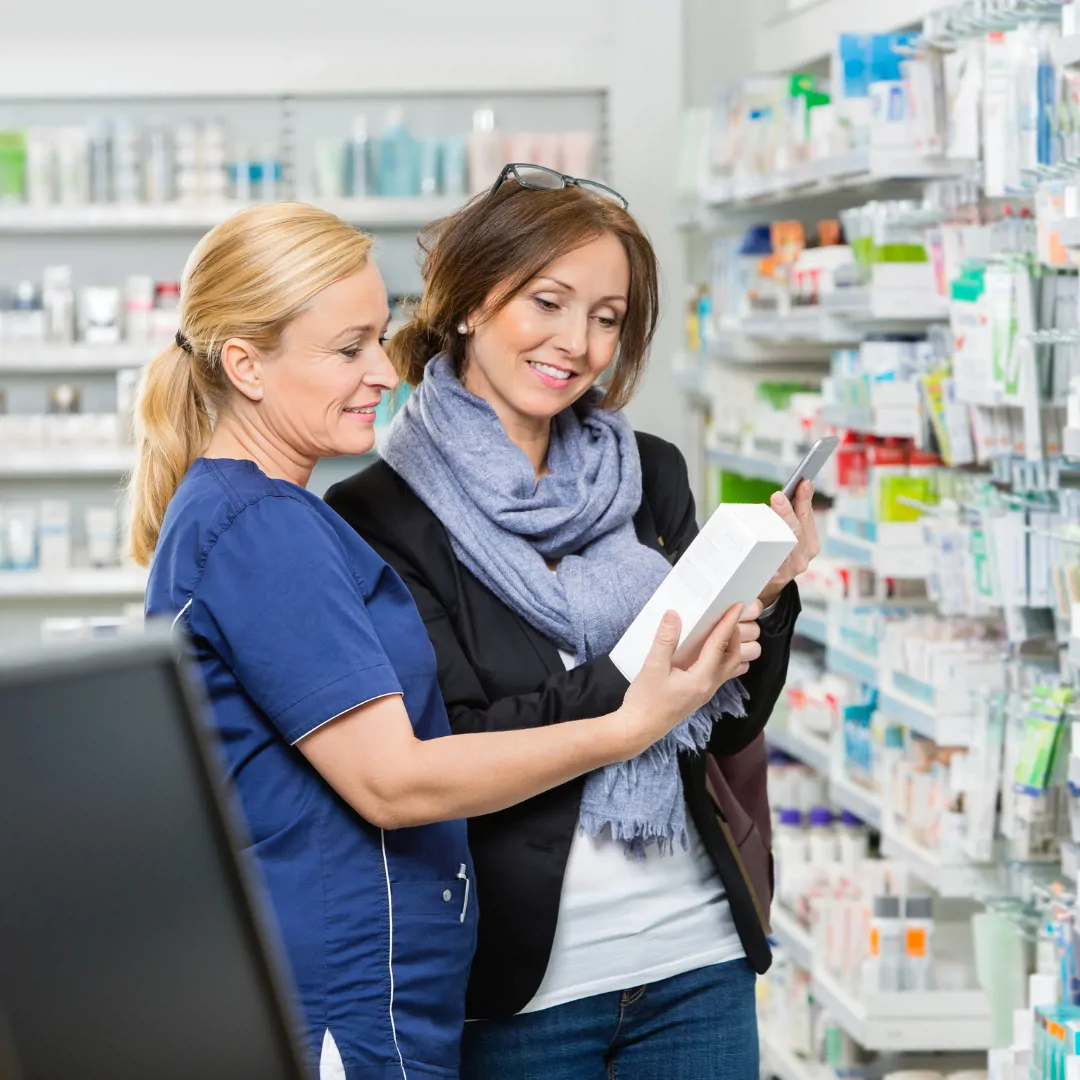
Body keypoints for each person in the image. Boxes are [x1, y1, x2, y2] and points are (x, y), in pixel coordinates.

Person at [131, 201, 757, 1080]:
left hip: (392, 986)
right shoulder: (263, 526)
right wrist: (627, 725)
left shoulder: (275, 517)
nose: (384, 371)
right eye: (348, 349)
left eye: (378, 339)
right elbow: (393, 778)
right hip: (350, 991)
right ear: (246, 365)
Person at [326, 165, 820, 1080]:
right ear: (470, 303)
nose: (578, 343)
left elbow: (728, 723)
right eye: (548, 302)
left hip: (695, 962)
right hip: (521, 990)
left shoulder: (652, 473)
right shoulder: (378, 513)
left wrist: (770, 594)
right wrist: (644, 688)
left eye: (607, 317)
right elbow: (454, 741)